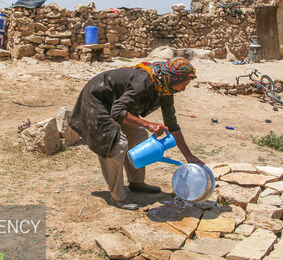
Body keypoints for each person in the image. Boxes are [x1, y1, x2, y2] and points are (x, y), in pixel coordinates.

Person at [68, 57, 204, 210]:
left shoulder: (165, 88)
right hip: (96, 101)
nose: (184, 88)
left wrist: (189, 156)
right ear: (174, 78)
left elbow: (173, 126)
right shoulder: (145, 82)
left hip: (117, 105)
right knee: (116, 143)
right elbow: (117, 111)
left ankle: (137, 183)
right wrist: (147, 124)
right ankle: (117, 196)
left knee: (138, 135)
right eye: (184, 83)